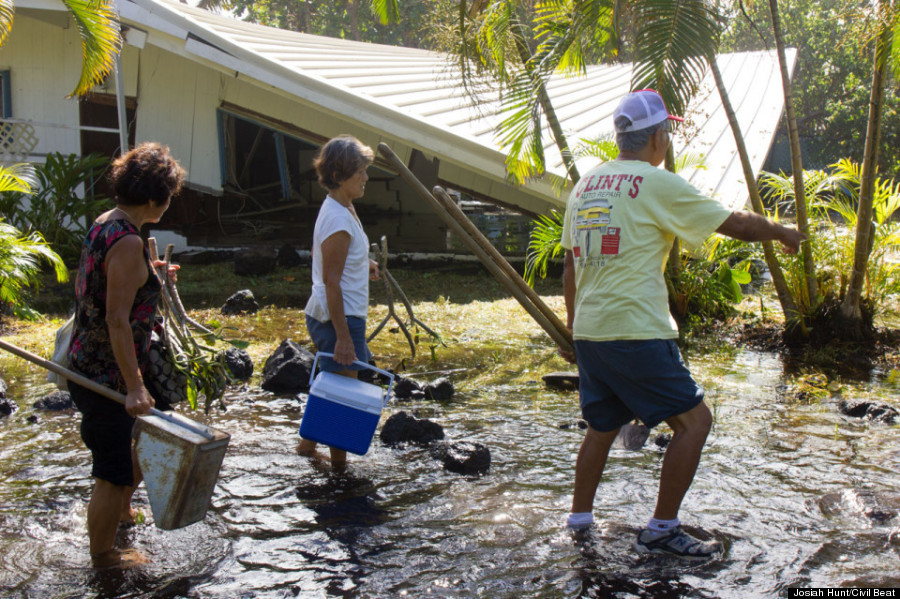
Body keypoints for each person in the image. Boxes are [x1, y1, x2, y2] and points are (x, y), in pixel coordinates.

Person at [560, 89, 804, 559]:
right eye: (667, 132)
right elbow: (735, 223)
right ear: (657, 138)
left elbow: (570, 266)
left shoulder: (585, 185)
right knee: (695, 422)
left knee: (602, 425)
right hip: (636, 329)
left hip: (592, 330)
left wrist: (576, 330)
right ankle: (662, 528)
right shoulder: (656, 182)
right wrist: (781, 231)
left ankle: (579, 520)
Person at [67, 142, 185, 568]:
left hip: (91, 360)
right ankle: (104, 558)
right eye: (169, 195)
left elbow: (108, 285)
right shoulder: (126, 243)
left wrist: (151, 277)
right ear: (155, 199)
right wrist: (134, 387)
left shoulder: (108, 222)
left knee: (131, 453)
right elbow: (116, 319)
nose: (169, 202)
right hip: (105, 375)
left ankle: (120, 513)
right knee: (111, 471)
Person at [300, 135, 380, 466]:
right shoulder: (337, 219)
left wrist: (365, 262)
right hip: (338, 317)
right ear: (340, 174)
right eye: (360, 171)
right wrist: (344, 338)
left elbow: (345, 259)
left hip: (340, 313)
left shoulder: (345, 206)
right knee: (344, 396)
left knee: (334, 386)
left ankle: (305, 449)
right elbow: (332, 281)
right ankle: (339, 471)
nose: (365, 177)